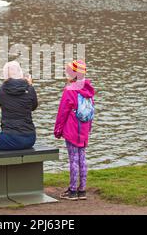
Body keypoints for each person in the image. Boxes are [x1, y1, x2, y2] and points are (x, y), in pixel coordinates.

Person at [54, 60, 95, 201]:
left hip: (71, 129)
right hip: (83, 129)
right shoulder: (89, 90)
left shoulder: (69, 90)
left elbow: (62, 113)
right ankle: (82, 189)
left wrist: (58, 130)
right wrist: (88, 129)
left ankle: (72, 191)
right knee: (82, 159)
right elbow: (91, 112)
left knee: (73, 159)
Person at [0, 61, 38, 150]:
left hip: (10, 138)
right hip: (30, 138)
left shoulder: (1, 91)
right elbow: (33, 107)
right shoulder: (29, 88)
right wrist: (29, 85)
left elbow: (2, 105)